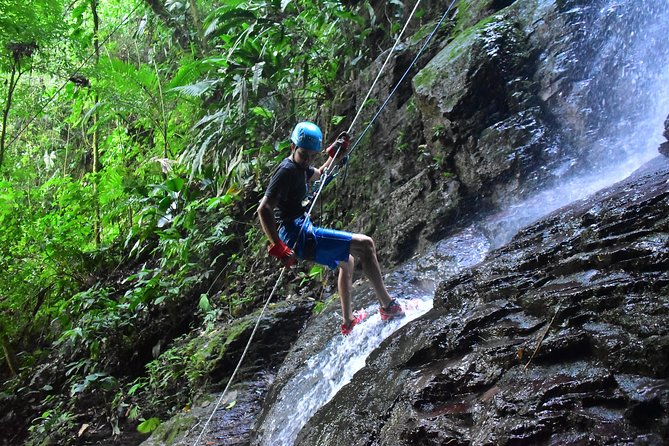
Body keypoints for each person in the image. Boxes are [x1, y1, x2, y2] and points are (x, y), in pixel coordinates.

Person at [257, 121, 405, 335]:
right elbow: (264, 209)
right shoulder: (286, 170)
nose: (307, 159)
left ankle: (348, 322)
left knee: (348, 261)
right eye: (303, 154)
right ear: (292, 147)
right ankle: (388, 307)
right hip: (296, 234)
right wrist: (278, 247)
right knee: (366, 245)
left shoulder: (301, 166)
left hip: (301, 227)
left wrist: (336, 154)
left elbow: (321, 173)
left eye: (311, 155)